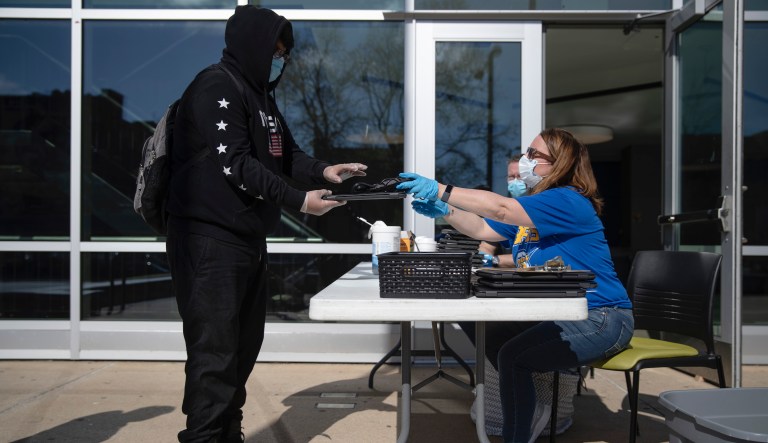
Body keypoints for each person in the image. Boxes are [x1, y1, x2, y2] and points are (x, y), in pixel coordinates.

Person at [166, 6, 367, 442]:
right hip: (208, 241)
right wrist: (299, 201)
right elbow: (235, 164)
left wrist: (325, 171)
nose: (280, 60)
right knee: (213, 354)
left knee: (242, 349)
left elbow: (286, 156)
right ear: (251, 45)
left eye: (285, 53)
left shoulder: (262, 99)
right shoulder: (216, 86)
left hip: (246, 239)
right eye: (274, 50)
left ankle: (228, 433)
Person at [397, 128, 633, 443]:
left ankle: (519, 429)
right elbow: (483, 226)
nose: (525, 160)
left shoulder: (568, 199)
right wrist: (448, 212)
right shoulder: (535, 211)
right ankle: (530, 403)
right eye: (527, 152)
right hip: (561, 313)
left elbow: (501, 209)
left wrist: (439, 188)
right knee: (486, 329)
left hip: (601, 316)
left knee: (513, 356)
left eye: (535, 155)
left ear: (560, 164)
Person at [479, 153, 525, 267]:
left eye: (519, 176)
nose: (515, 181)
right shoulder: (503, 212)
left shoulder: (543, 209)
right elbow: (485, 249)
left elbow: (535, 258)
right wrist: (486, 266)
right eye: (511, 177)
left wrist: (497, 260)